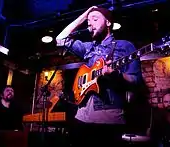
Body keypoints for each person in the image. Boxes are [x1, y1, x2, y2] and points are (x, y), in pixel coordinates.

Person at [56, 6, 142, 146]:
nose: (90, 24)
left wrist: (117, 75)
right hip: (82, 116)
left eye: (95, 19)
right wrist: (85, 15)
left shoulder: (125, 46)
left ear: (108, 23)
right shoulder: (88, 47)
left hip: (109, 118)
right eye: (88, 22)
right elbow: (60, 39)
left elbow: (136, 80)